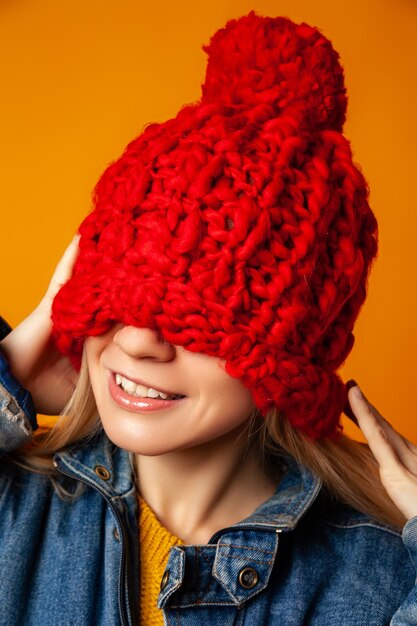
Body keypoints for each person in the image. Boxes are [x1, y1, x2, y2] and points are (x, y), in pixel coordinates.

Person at [1, 12, 417, 626]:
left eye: (201, 318)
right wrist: (8, 373)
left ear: (294, 351)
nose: (139, 341)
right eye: (117, 292)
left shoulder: (380, 583)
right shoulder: (14, 508)